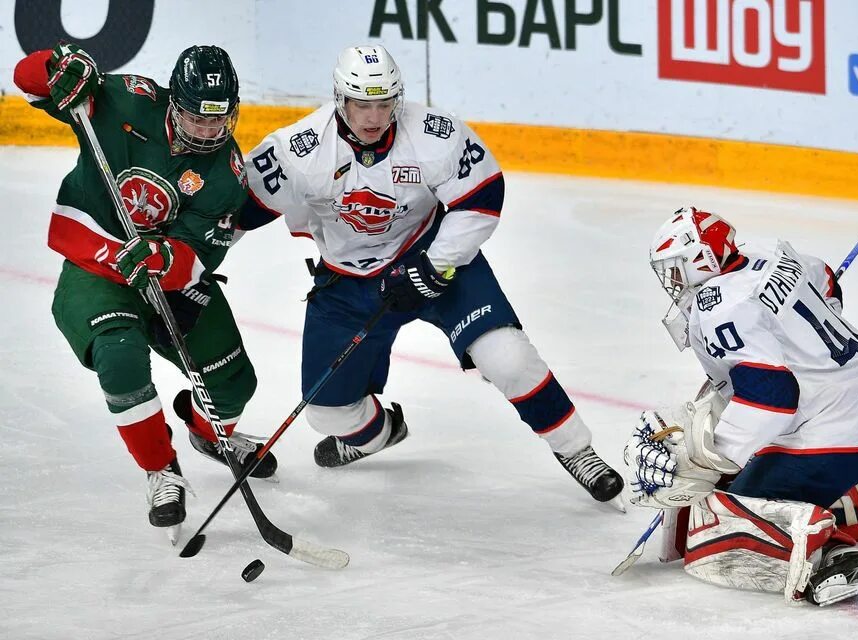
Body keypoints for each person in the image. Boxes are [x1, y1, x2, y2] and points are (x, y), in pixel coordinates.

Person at [238, 44, 623, 503]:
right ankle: (382, 433)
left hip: (430, 255)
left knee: (506, 356)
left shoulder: (432, 133)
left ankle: (576, 450)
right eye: (362, 103)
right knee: (328, 415)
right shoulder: (298, 150)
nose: (374, 117)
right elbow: (234, 216)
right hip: (345, 284)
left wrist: (436, 264)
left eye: (384, 103)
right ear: (341, 99)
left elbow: (481, 196)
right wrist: (186, 268)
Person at [13, 42, 277, 541]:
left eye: (217, 122)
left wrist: (164, 260)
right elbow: (28, 78)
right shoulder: (125, 101)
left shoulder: (227, 172)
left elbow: (203, 251)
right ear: (173, 102)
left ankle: (208, 435)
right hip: (98, 265)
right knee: (119, 358)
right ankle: (161, 470)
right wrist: (58, 70)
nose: (207, 133)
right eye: (196, 119)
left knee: (234, 383)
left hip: (166, 280)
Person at [623, 207, 858, 605]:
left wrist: (713, 456)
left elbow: (772, 400)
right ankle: (857, 502)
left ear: (700, 259)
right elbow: (826, 278)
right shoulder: (767, 251)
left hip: (836, 431)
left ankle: (836, 553)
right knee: (738, 484)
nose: (671, 280)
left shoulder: (719, 307)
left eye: (675, 268)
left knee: (726, 523)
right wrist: (799, 337)